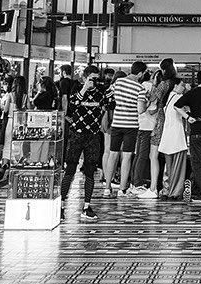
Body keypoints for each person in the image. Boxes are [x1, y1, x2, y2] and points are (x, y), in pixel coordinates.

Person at [60, 65, 107, 221]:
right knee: (70, 169)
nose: (93, 82)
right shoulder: (77, 90)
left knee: (90, 171)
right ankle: (61, 204)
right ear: (85, 77)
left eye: (95, 78)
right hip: (76, 134)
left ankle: (86, 206)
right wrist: (84, 88)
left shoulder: (101, 93)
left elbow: (109, 104)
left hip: (93, 136)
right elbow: (71, 106)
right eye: (91, 78)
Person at [104, 60, 149, 195]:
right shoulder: (140, 88)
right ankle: (122, 189)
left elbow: (108, 96)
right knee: (127, 156)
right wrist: (147, 102)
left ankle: (107, 187)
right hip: (131, 126)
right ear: (140, 73)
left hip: (116, 123)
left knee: (113, 154)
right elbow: (140, 110)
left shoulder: (118, 82)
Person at [174, 68, 201, 201]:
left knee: (197, 162)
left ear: (197, 80)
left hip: (197, 131)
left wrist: (187, 117)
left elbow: (176, 106)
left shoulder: (191, 94)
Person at [130, 70, 161, 196]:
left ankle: (134, 182)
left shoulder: (141, 86)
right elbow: (149, 108)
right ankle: (137, 183)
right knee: (143, 155)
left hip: (141, 124)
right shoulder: (150, 87)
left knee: (138, 155)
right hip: (148, 125)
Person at [158, 79, 189, 199]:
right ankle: (175, 192)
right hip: (177, 136)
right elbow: (185, 111)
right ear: (175, 86)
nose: (183, 87)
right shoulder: (178, 98)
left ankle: (166, 189)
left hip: (167, 136)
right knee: (179, 167)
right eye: (182, 85)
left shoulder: (168, 98)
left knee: (168, 166)